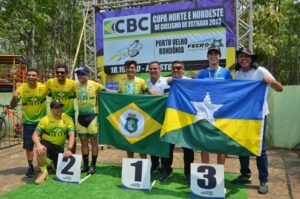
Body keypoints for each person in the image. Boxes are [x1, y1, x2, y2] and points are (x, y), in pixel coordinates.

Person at [231, 47, 283, 194]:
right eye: (241, 56)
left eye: (246, 56)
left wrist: (271, 82)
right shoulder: (238, 74)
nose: (243, 58)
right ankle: (245, 174)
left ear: (252, 58)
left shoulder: (261, 71)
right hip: (243, 115)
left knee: (260, 148)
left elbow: (280, 88)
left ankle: (263, 179)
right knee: (242, 144)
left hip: (259, 116)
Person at [196, 45, 232, 165]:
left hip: (221, 112)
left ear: (219, 56)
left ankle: (219, 173)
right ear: (207, 57)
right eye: (210, 54)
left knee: (220, 143)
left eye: (215, 54)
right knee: (204, 143)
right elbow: (194, 90)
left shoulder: (226, 73)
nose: (213, 56)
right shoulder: (202, 73)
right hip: (205, 112)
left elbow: (232, 91)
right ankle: (205, 169)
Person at [10, 69, 47, 178]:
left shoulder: (43, 87)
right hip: (28, 122)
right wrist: (14, 97)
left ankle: (43, 166)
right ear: (27, 77)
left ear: (38, 77)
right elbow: (12, 105)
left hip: (42, 122)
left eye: (33, 75)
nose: (31, 77)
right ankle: (30, 166)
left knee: (44, 145)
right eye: (29, 75)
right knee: (29, 146)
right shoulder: (21, 88)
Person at [162, 60, 194, 184]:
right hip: (172, 119)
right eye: (174, 68)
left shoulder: (189, 82)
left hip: (186, 119)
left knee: (187, 148)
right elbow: (161, 96)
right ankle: (166, 171)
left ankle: (188, 173)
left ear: (183, 69)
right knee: (168, 147)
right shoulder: (167, 82)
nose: (176, 70)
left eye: (179, 68)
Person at [75, 66, 111, 175]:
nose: (79, 76)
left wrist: (118, 93)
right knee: (83, 142)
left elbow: (107, 91)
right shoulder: (75, 86)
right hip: (81, 117)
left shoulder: (95, 85)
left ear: (87, 75)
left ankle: (93, 165)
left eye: (82, 74)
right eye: (78, 74)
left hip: (92, 117)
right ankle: (85, 165)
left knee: (93, 142)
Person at [118, 60, 157, 159]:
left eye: (132, 68)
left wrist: (161, 97)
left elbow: (149, 91)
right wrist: (104, 92)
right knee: (128, 139)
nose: (130, 70)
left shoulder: (141, 81)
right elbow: (117, 97)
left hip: (139, 116)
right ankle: (130, 162)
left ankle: (143, 163)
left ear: (135, 69)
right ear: (125, 69)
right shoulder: (121, 83)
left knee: (140, 140)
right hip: (126, 116)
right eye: (127, 68)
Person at [32, 100, 75, 185]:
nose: (59, 109)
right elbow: (34, 135)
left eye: (60, 107)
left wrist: (69, 148)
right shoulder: (45, 119)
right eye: (56, 108)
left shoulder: (68, 119)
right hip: (47, 143)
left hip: (59, 148)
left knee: (58, 170)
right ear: (51, 109)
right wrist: (38, 145)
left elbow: (71, 135)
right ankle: (43, 172)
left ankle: (51, 164)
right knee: (41, 150)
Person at [45, 64, 77, 154]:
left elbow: (81, 91)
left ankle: (72, 157)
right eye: (57, 72)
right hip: (55, 115)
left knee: (72, 138)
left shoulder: (73, 83)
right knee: (54, 137)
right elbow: (42, 90)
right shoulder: (50, 82)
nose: (59, 74)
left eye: (62, 72)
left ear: (66, 73)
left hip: (69, 114)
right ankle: (54, 160)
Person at [146, 61, 170, 173]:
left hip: (165, 117)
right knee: (152, 142)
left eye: (155, 68)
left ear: (160, 69)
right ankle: (155, 165)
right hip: (151, 117)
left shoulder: (167, 81)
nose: (153, 71)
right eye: (151, 69)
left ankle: (166, 167)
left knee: (165, 143)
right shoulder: (145, 83)